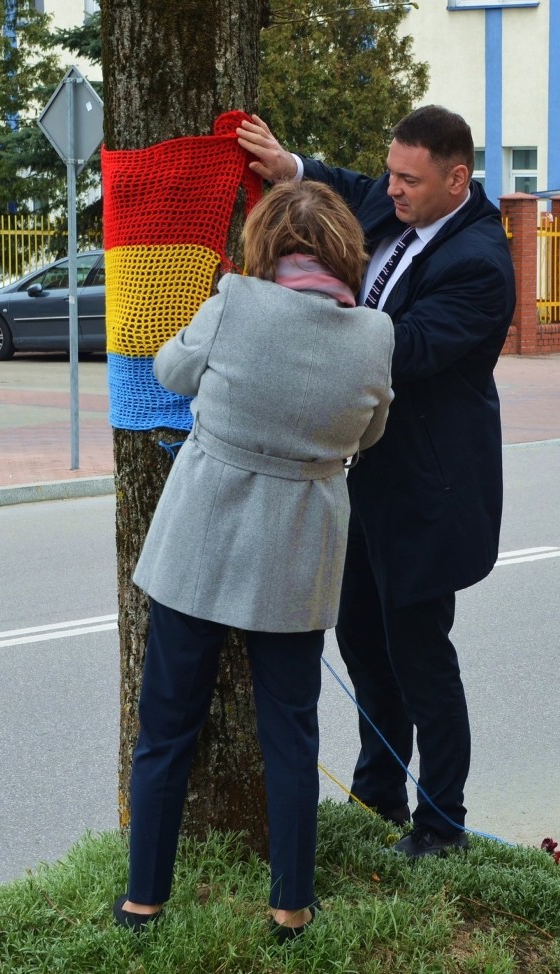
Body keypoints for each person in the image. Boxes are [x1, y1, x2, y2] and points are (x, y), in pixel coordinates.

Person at [113, 181, 394, 939]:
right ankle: (291, 906)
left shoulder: (233, 299)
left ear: (266, 244)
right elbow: (368, 434)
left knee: (166, 731)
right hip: (298, 551)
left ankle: (143, 901)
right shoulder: (374, 333)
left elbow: (171, 371)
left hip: (200, 540)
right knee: (292, 738)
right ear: (344, 250)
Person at [237, 106, 516, 858]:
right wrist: (290, 165)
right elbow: (346, 182)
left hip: (429, 496)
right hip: (362, 484)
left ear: (456, 179)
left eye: (409, 179)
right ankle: (379, 794)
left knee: (420, 656)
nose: (391, 189)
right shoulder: (393, 202)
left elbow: (406, 349)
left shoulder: (479, 264)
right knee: (361, 639)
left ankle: (442, 822)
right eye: (391, 171)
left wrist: (303, 326)